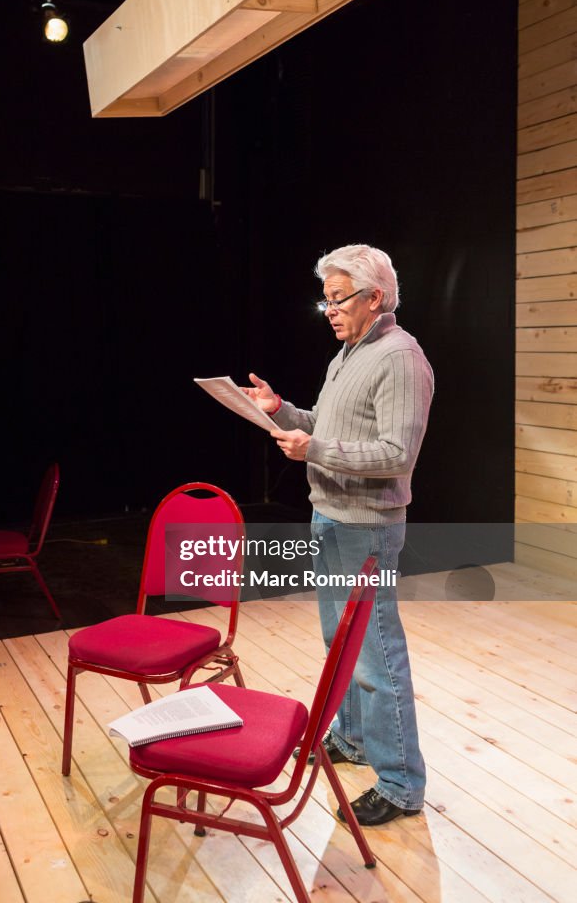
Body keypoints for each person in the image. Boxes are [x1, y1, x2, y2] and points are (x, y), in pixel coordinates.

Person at [243, 244, 433, 826]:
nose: (328, 310)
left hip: (367, 529)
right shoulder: (347, 354)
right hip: (330, 518)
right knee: (340, 646)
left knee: (376, 659)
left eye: (338, 298)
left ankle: (401, 785)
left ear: (375, 298)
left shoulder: (400, 358)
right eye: (324, 300)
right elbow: (327, 427)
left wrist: (315, 448)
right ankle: (350, 741)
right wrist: (283, 412)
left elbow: (397, 456)